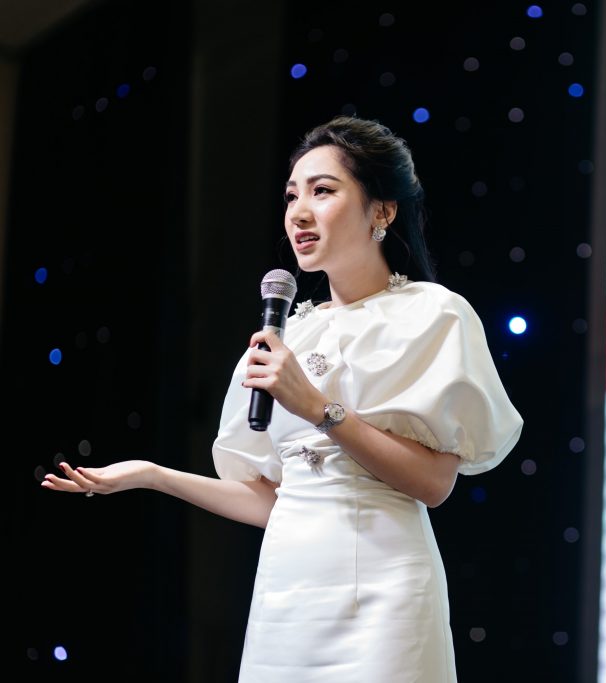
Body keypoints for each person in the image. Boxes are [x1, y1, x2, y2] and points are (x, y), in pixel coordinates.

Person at [41, 115, 524, 682]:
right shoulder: (289, 334)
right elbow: (274, 499)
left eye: (323, 191)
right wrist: (153, 475)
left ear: (382, 211)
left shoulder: (432, 314)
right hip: (287, 595)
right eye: (292, 195)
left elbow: (434, 484)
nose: (299, 212)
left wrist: (319, 409)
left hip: (386, 592)